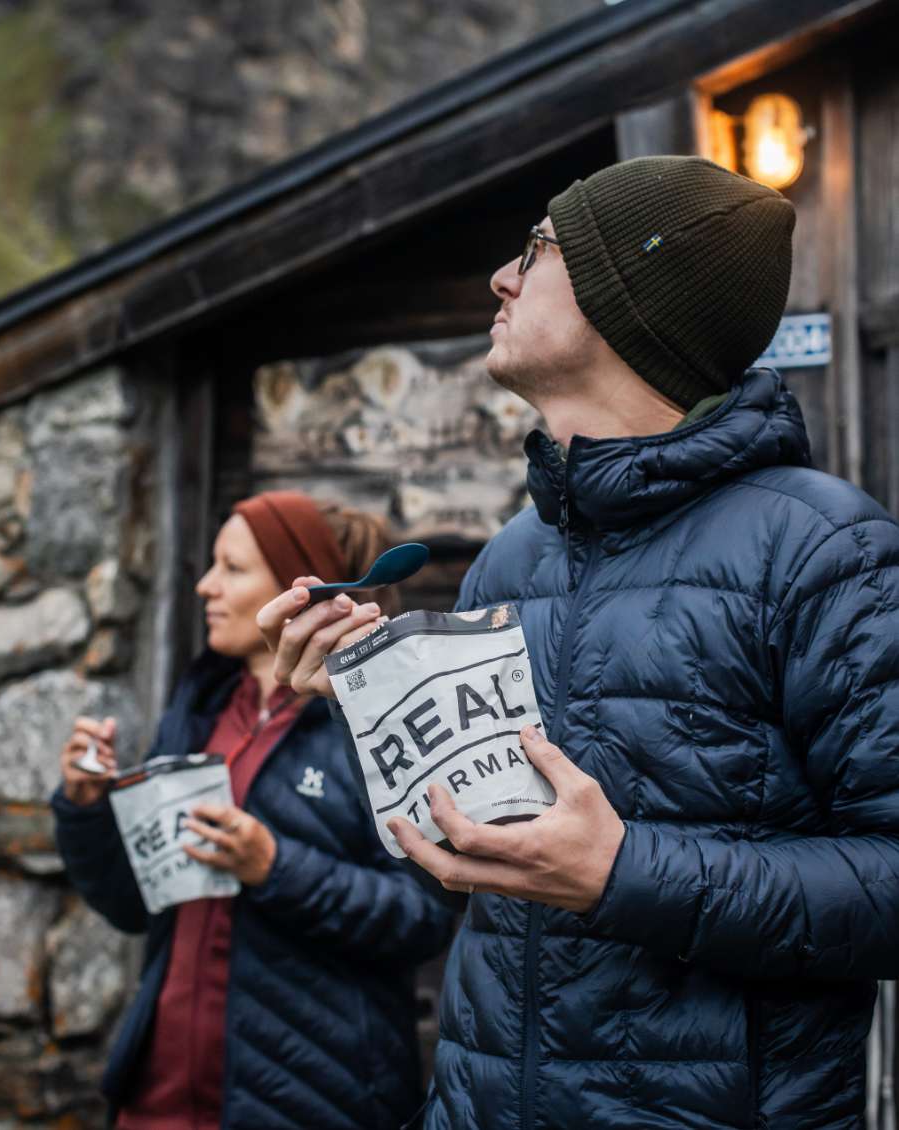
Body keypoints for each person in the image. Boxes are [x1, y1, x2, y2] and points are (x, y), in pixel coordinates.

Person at [263, 155, 899, 1127]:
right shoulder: (510, 560)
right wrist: (362, 700)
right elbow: (452, 866)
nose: (501, 278)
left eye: (539, 249)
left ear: (632, 291)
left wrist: (624, 873)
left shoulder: (825, 549)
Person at [53, 492, 457, 1129]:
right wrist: (85, 808)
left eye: (233, 568)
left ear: (298, 591)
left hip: (310, 1103)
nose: (205, 586)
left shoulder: (377, 717)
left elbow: (425, 917)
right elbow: (134, 905)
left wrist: (275, 868)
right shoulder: (202, 708)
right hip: (158, 1100)